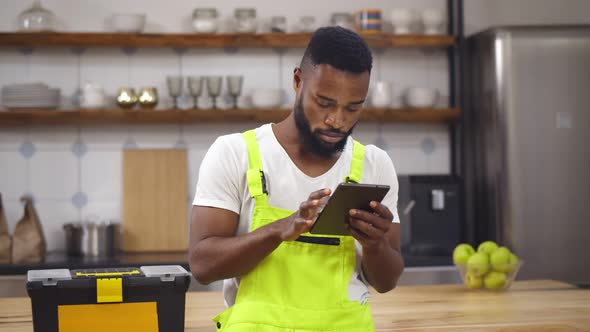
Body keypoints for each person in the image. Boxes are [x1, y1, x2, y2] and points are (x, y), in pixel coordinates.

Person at [189, 26, 404, 331]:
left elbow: (387, 281)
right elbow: (202, 265)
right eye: (325, 103)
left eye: (352, 108)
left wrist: (375, 245)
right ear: (297, 81)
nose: (337, 120)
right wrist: (278, 231)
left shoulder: (374, 164)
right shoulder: (236, 153)